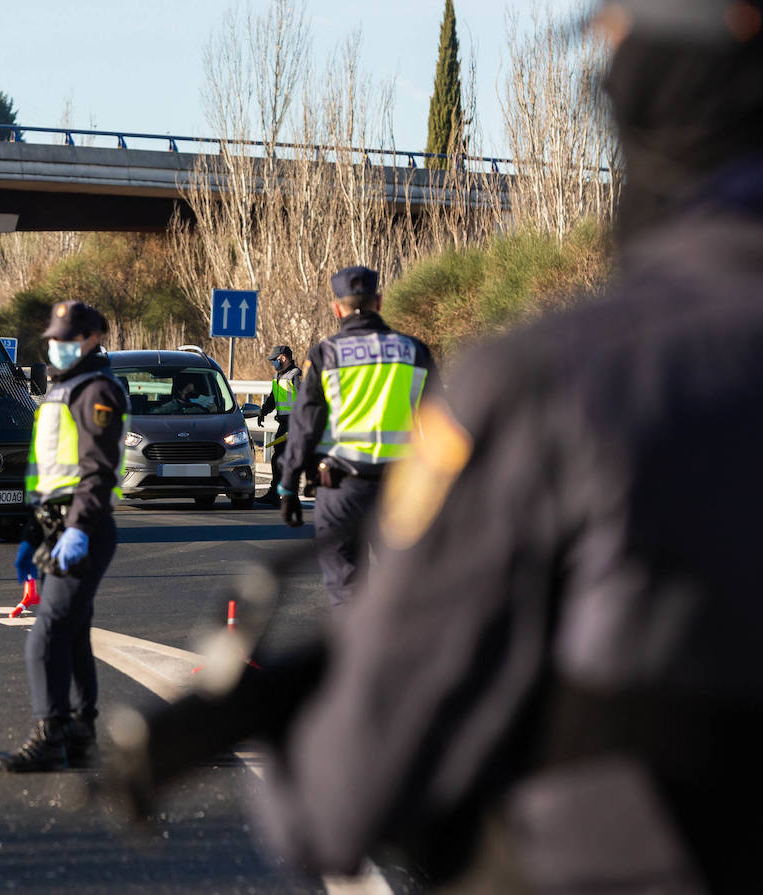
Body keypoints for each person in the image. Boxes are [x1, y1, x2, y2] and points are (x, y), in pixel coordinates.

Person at [117, 2, 763, 890]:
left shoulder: (561, 383)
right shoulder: (425, 351)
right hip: (392, 493)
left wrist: (284, 713)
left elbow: (351, 788)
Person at [0, 300, 127, 772]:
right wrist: (33, 531)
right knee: (71, 633)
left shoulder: (96, 391)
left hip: (82, 526)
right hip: (56, 523)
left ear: (92, 340)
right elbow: (47, 470)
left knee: (46, 635)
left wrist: (76, 530)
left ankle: (49, 734)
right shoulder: (59, 390)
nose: (58, 346)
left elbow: (98, 471)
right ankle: (79, 734)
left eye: (68, 339)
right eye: (54, 337)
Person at [276, 267, 440, 610]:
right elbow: (440, 427)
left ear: (338, 309)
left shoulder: (325, 354)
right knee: (405, 591)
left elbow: (305, 425)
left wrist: (289, 485)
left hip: (339, 489)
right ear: (379, 301)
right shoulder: (416, 352)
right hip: (401, 491)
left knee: (346, 590)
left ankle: (355, 659)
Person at [255, 345, 302, 507]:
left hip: (294, 423)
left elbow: (304, 399)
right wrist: (263, 412)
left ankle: (284, 495)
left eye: (274, 360)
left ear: (283, 358)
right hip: (284, 423)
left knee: (283, 459)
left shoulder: (296, 375)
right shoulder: (279, 376)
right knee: (280, 459)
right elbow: (274, 398)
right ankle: (279, 494)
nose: (272, 363)